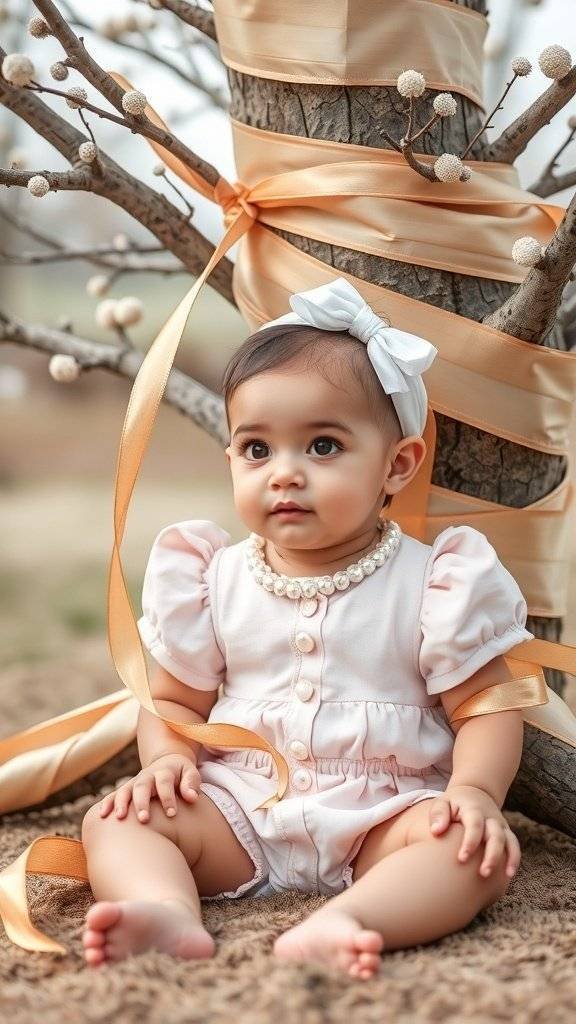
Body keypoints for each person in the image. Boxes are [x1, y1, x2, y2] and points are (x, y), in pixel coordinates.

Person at [80, 277, 533, 980]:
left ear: (397, 465)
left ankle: (354, 917)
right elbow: (172, 701)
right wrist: (166, 762)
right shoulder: (211, 577)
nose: (285, 474)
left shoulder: (435, 580)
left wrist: (473, 792)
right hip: (240, 811)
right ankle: (165, 908)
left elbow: (485, 706)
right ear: (231, 458)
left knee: (474, 853)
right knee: (114, 821)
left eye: (323, 446)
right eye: (258, 450)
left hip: (384, 818)